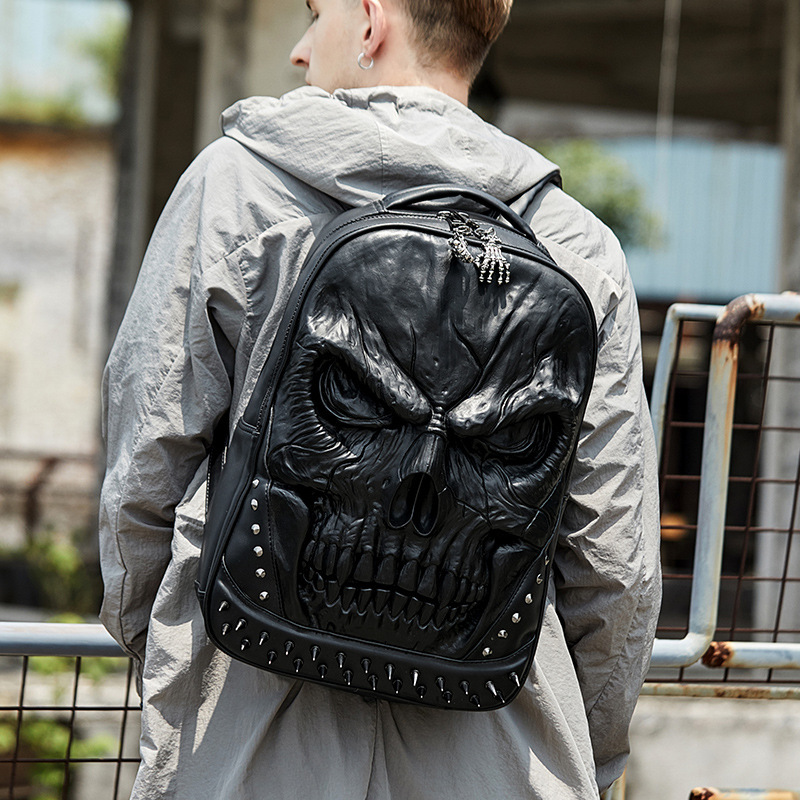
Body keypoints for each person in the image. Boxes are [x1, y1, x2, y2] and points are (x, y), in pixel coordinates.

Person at [99, 0, 662, 797]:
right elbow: (615, 564)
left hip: (246, 725)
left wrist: (173, 656)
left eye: (315, 13)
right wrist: (580, 749)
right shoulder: (579, 247)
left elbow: (143, 469)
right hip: (496, 740)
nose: (301, 50)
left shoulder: (235, 188)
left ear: (370, 21)